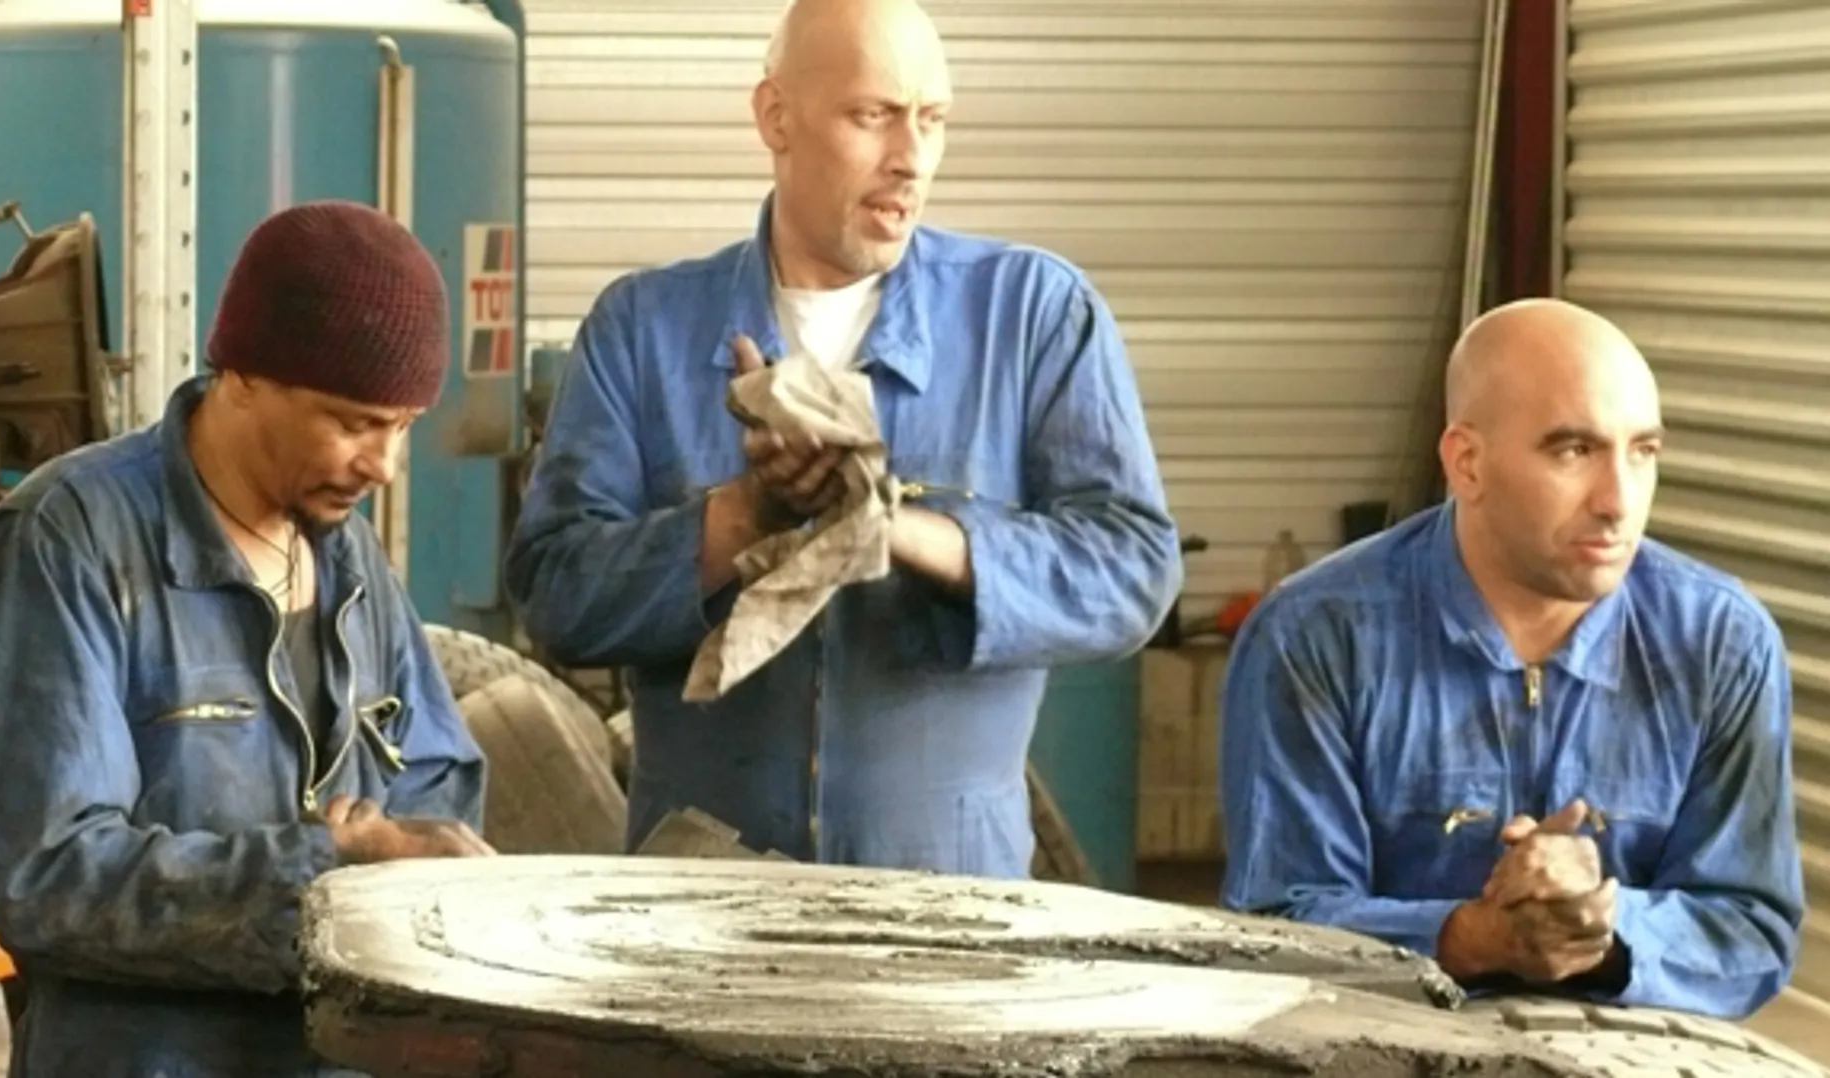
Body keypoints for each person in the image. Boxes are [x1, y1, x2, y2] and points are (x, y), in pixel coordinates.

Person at [504, 0, 1181, 875]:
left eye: (932, 119)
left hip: (951, 901)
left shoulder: (1032, 316)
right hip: (700, 905)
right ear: (775, 117)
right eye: (873, 115)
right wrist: (743, 519)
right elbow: (556, 596)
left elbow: (1132, 571)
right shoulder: (642, 330)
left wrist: (901, 533)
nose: (911, 158)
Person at [0, 200, 494, 1078]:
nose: (383, 466)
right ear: (242, 376)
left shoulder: (346, 554)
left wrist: (414, 858)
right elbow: (48, 876)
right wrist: (326, 872)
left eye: (403, 426)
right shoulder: (65, 544)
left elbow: (436, 778)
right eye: (353, 422)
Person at [1217, 298, 1802, 1020]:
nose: (1618, 501)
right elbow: (1276, 926)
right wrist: (1470, 937)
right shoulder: (1316, 635)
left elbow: (1751, 929)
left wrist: (1602, 926)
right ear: (1467, 463)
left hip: (1631, 1050)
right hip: (1382, 1042)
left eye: (1643, 451)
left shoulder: (1719, 640)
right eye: (1574, 451)